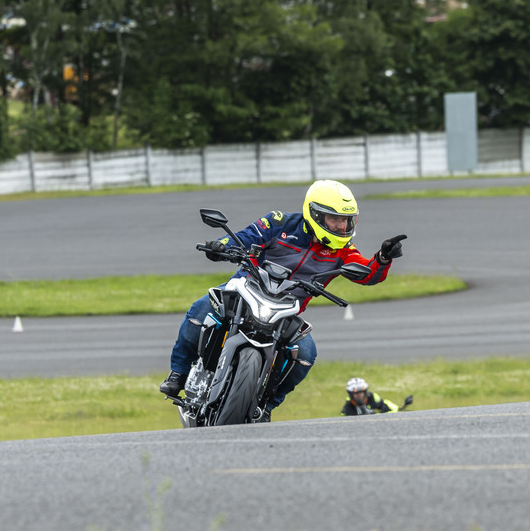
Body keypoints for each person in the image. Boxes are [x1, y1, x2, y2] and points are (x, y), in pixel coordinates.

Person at [159, 180, 407, 422]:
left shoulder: (343, 249)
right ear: (315, 214)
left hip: (287, 309)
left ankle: (266, 405)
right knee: (200, 308)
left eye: (346, 220)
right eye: (336, 219)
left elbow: (367, 272)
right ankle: (178, 372)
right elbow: (245, 237)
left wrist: (383, 258)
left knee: (307, 353)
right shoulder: (279, 222)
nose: (342, 225)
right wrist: (221, 246)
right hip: (247, 287)